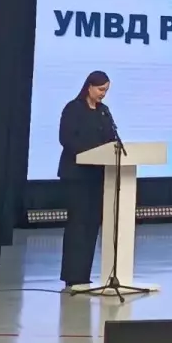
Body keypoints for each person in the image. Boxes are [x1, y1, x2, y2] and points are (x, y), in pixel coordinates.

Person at [58, 70, 115, 289]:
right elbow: (65, 138)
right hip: (76, 175)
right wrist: (89, 153)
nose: (103, 94)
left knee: (91, 223)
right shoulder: (73, 108)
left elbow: (111, 139)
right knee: (77, 223)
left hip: (97, 176)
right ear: (89, 86)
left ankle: (84, 274)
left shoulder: (104, 111)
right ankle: (72, 275)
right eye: (100, 89)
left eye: (106, 91)